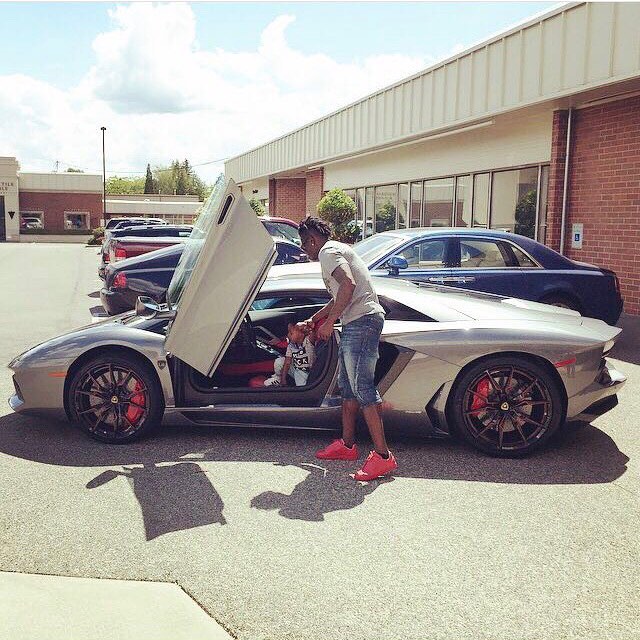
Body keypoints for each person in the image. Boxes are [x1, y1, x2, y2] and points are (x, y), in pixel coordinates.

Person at [297, 216, 397, 481]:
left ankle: (383, 457)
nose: (304, 250)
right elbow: (340, 294)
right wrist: (316, 318)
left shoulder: (327, 252)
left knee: (363, 388)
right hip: (358, 321)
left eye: (303, 244)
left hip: (362, 323)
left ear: (312, 240)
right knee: (349, 388)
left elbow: (349, 286)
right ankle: (347, 445)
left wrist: (329, 323)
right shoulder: (336, 250)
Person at [264, 323, 316, 387]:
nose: (288, 335)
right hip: (298, 369)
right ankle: (278, 378)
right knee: (279, 362)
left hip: (307, 371)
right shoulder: (291, 345)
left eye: (291, 333)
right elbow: (287, 362)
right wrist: (283, 379)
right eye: (288, 332)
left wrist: (310, 325)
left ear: (301, 334)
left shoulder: (308, 341)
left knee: (301, 386)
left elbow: (312, 332)